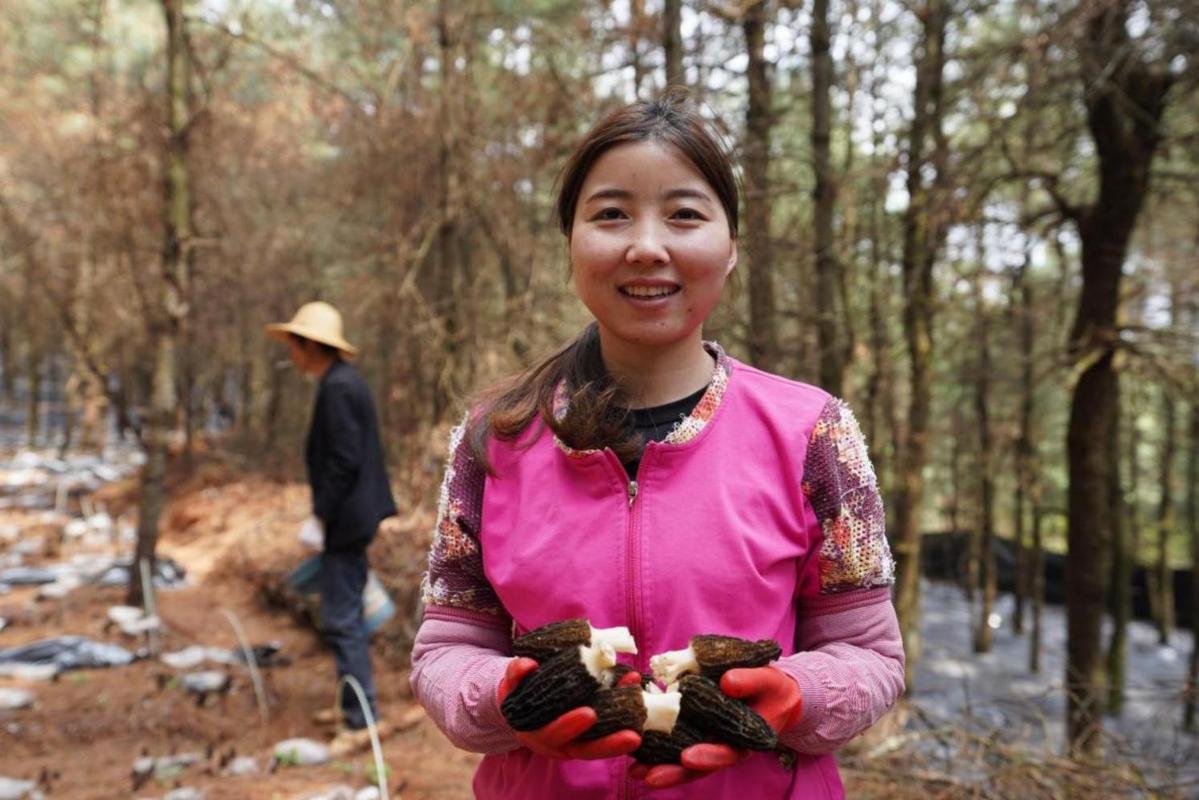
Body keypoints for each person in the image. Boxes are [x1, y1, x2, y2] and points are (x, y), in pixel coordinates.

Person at [409, 91, 904, 799]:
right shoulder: (494, 439)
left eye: (684, 214)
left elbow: (869, 654)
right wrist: (507, 700)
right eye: (610, 214)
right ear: (571, 244)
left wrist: (793, 696)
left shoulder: (812, 433)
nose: (646, 246)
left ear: (730, 248)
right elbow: (447, 650)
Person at [266, 301, 397, 755]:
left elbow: (343, 460)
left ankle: (362, 720)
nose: (291, 355)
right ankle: (350, 704)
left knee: (342, 620)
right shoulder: (339, 383)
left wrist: (321, 515)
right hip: (351, 518)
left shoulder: (339, 389)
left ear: (310, 345)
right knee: (345, 613)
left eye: (294, 345)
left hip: (346, 521)